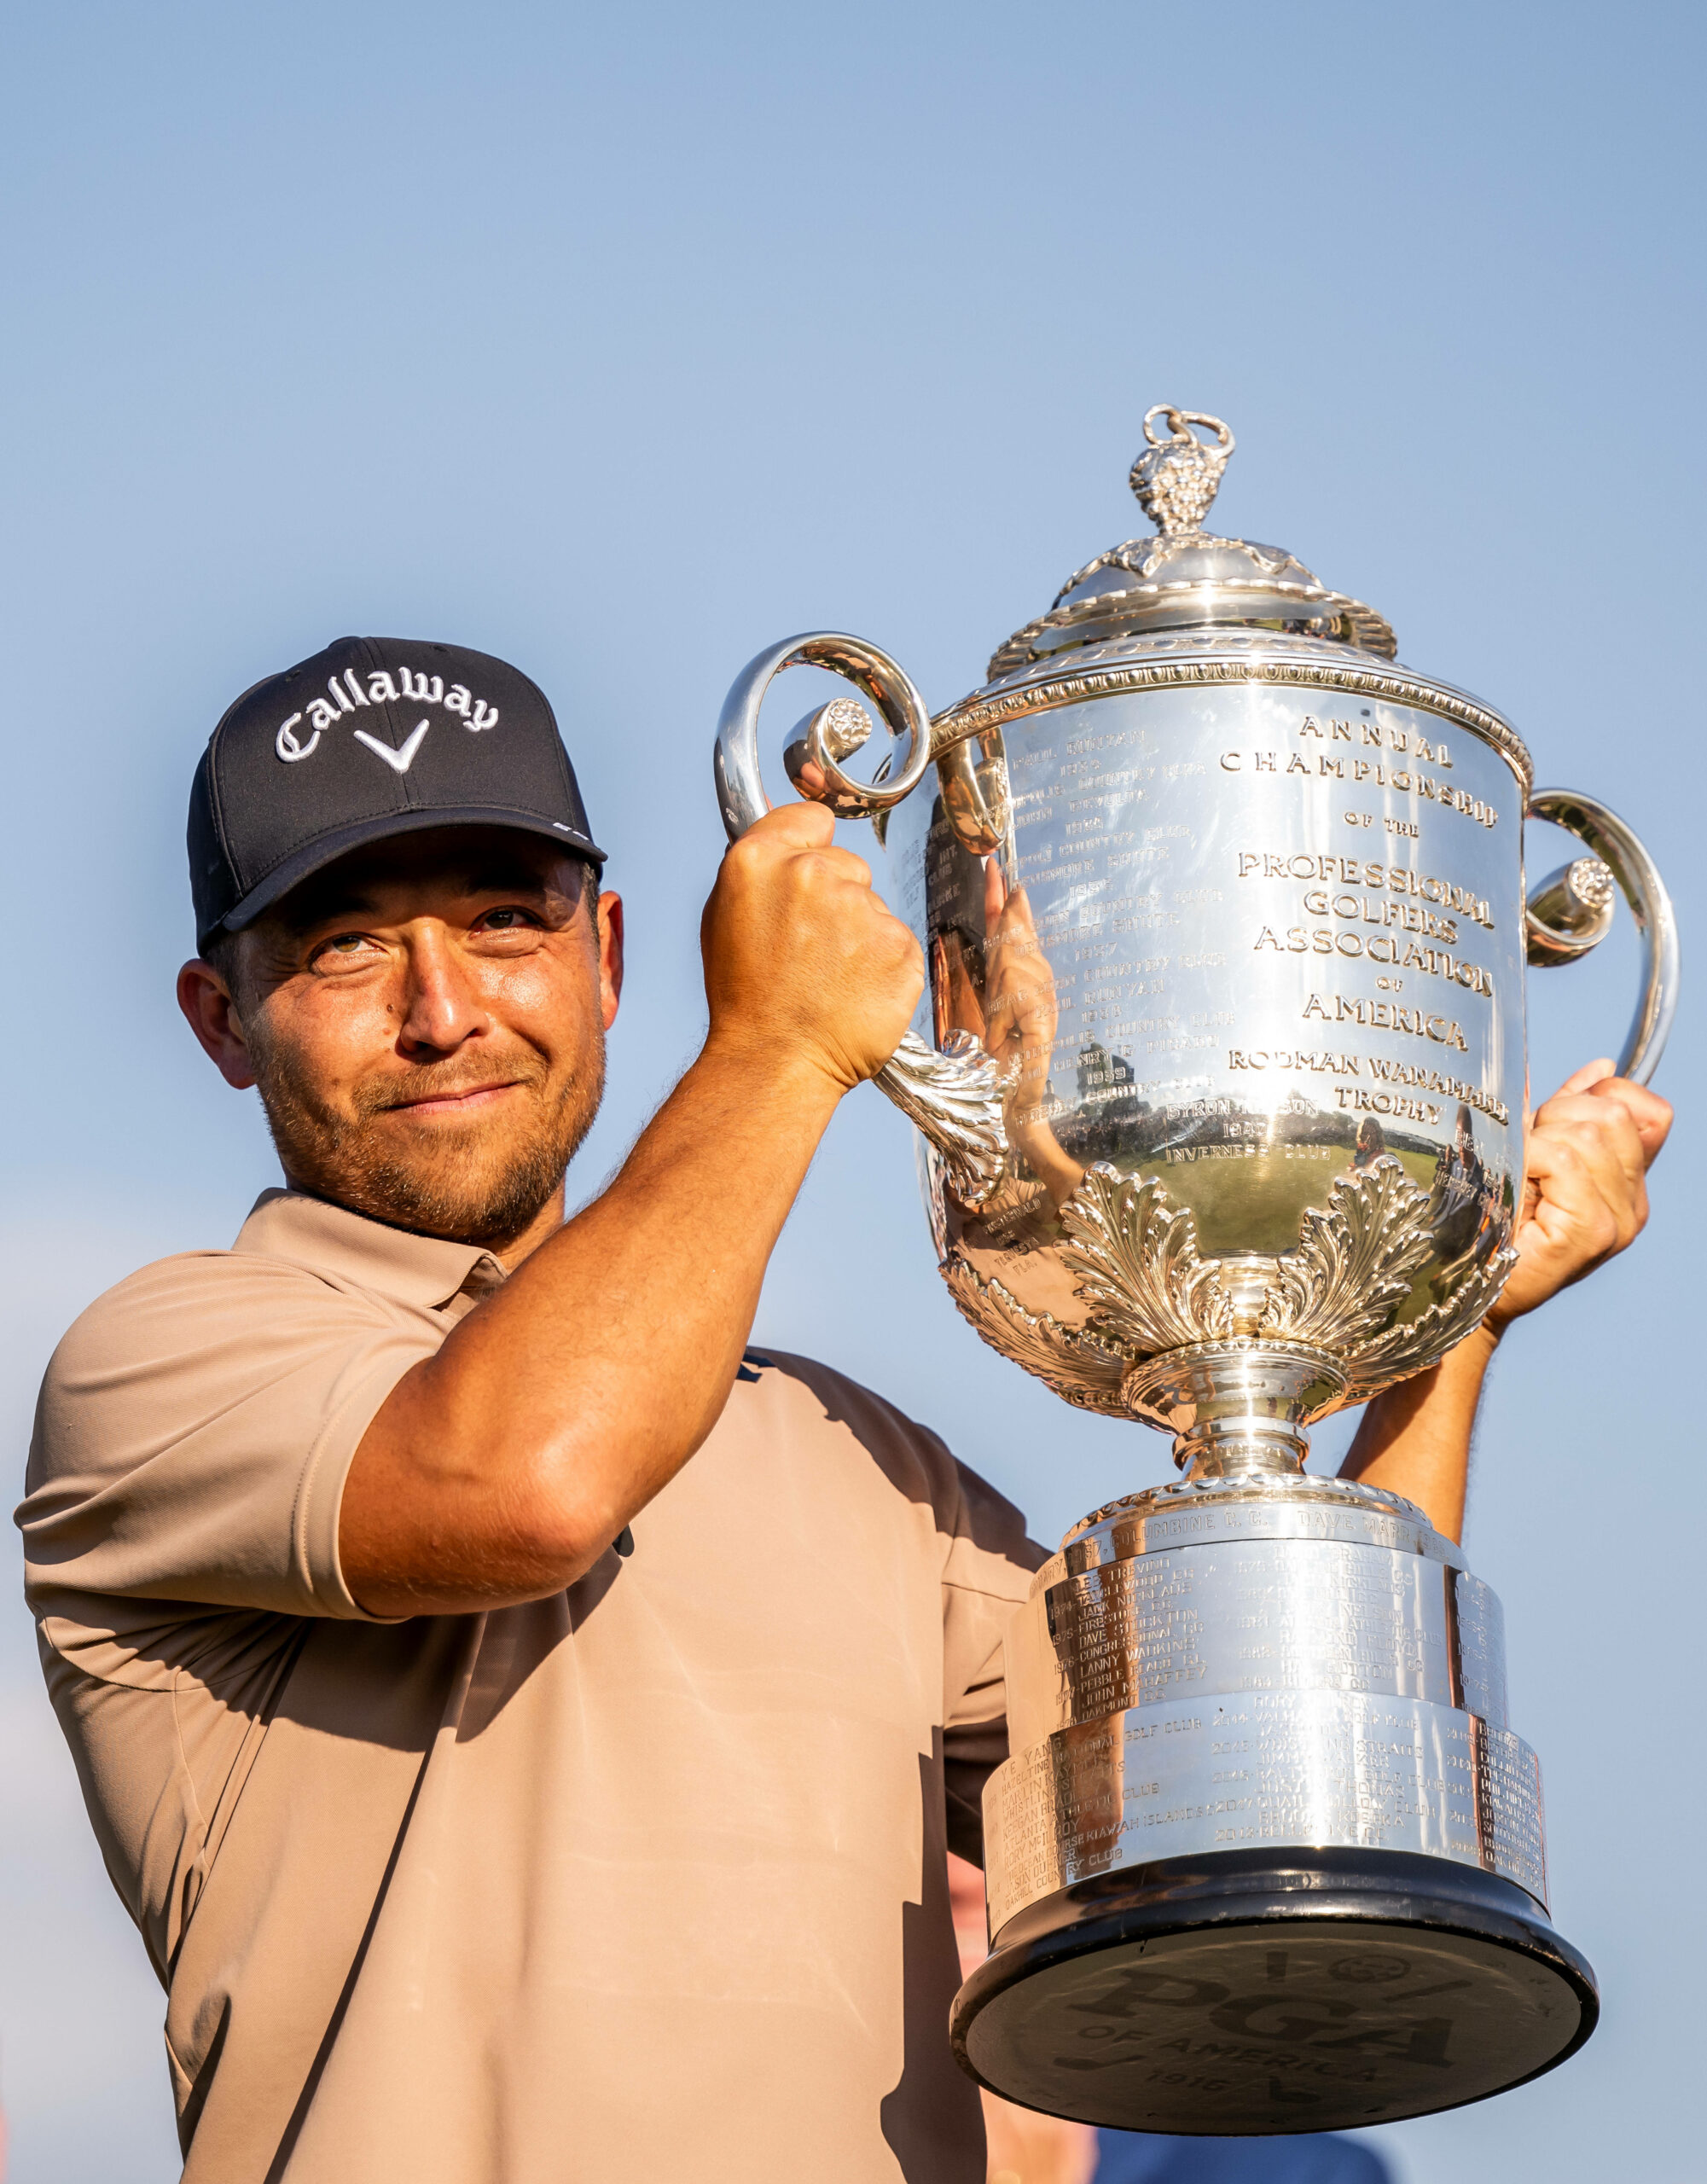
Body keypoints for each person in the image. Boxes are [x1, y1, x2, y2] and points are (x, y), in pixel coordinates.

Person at [16, 636, 1670, 2184]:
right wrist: (779, 1043)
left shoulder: (847, 1456)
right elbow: (533, 1477)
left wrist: (1440, 1320)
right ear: (221, 1019)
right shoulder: (163, 1361)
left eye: (502, 920)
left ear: (600, 958)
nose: (441, 1005)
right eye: (345, 942)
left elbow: (1273, 1794)